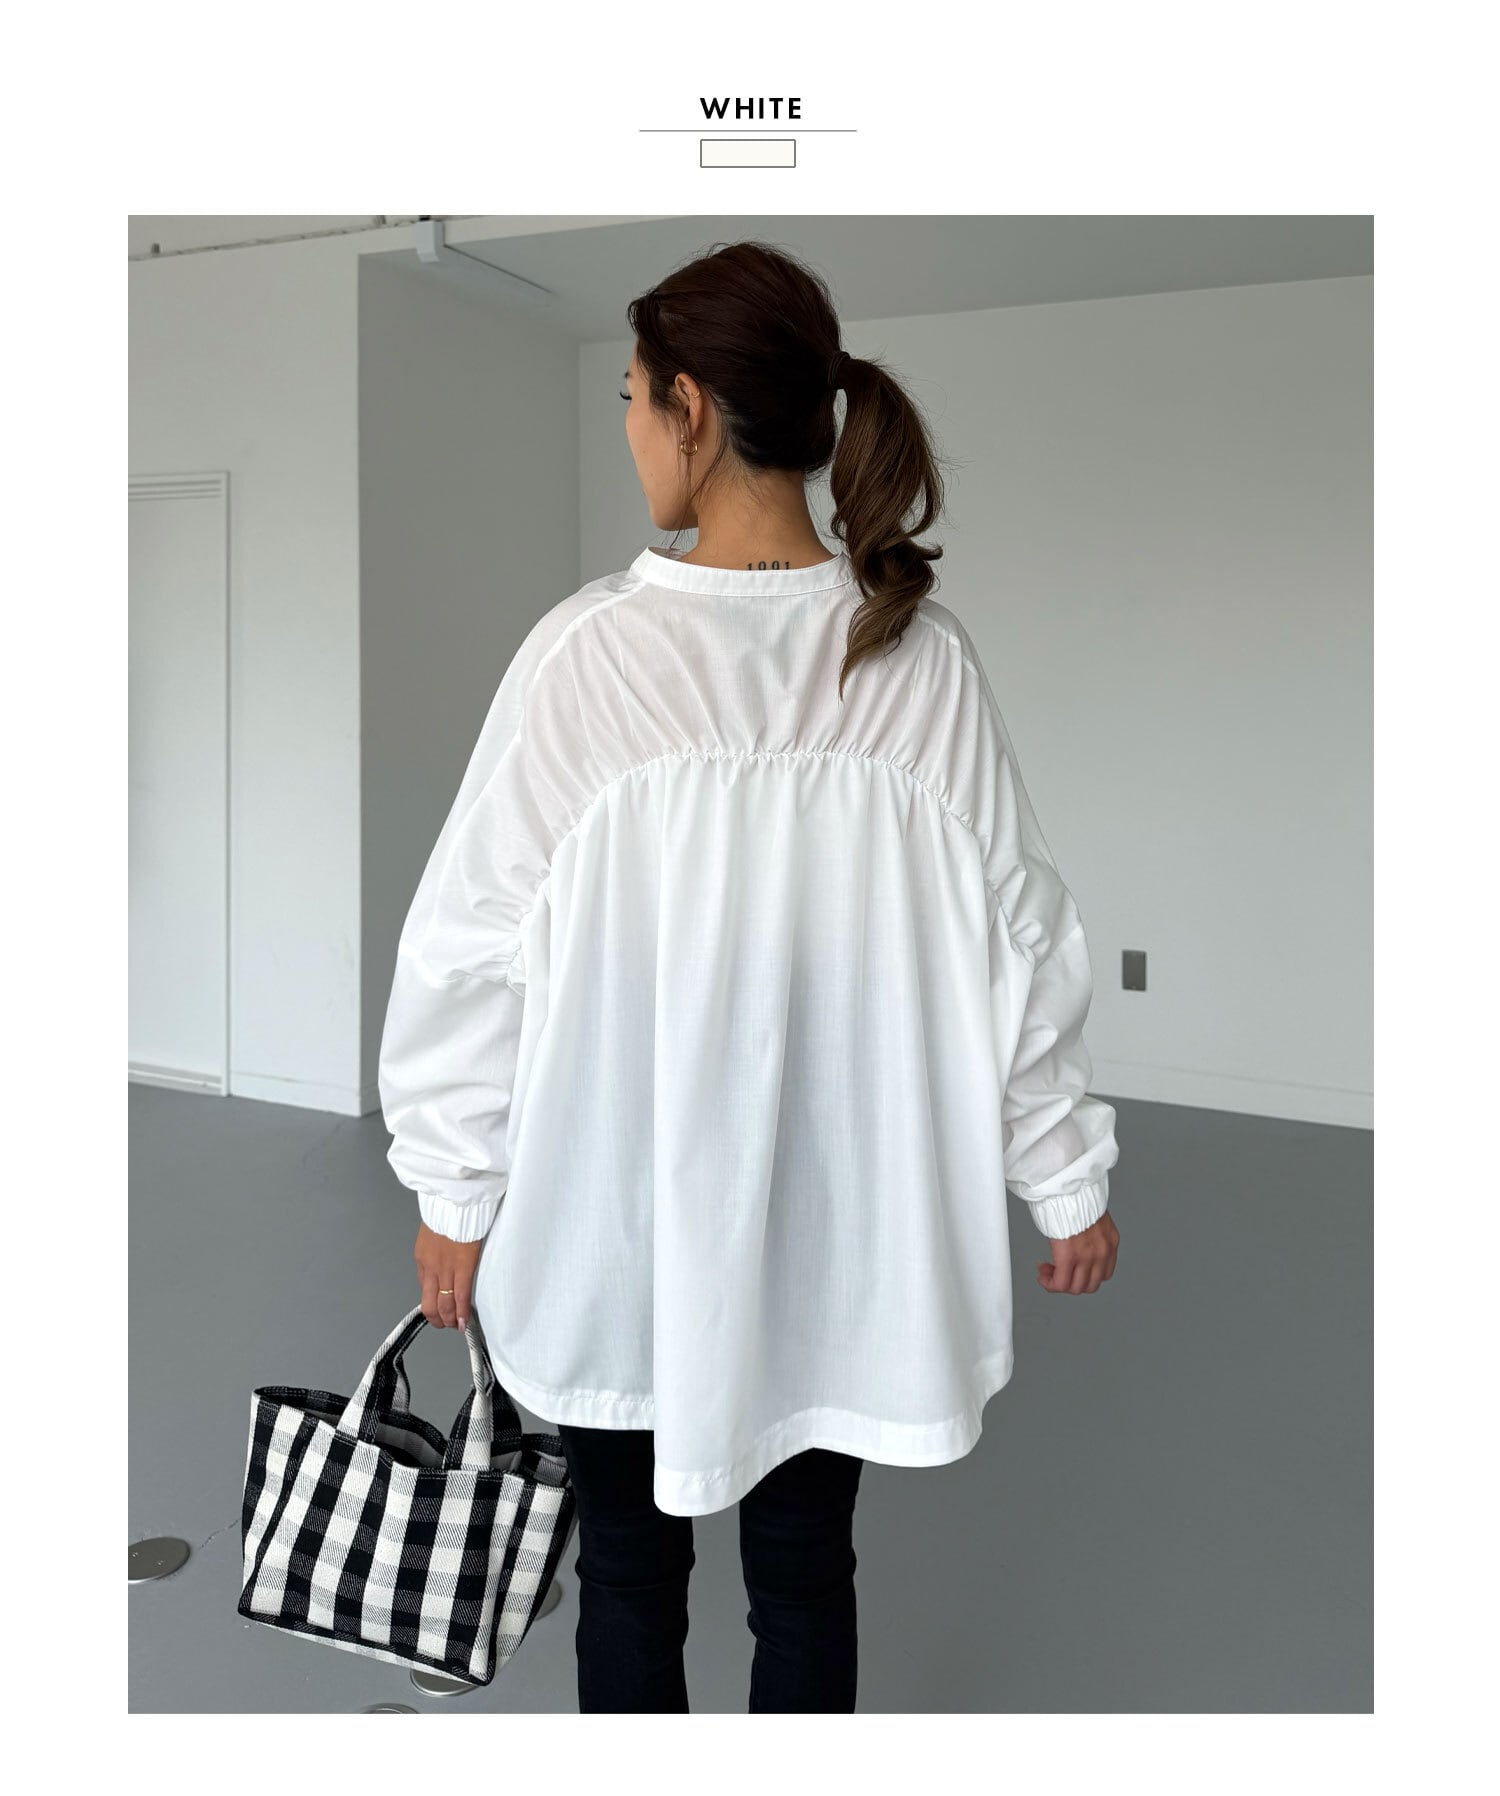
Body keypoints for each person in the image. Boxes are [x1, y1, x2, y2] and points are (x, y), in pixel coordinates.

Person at [377, 239, 1121, 1713]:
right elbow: (1023, 937)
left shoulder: (591, 658)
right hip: (842, 1242)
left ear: (693, 409)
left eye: (633, 397)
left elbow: (467, 944)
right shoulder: (919, 659)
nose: (629, 428)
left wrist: (452, 1190)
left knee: (626, 1580)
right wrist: (1063, 1172)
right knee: (806, 1579)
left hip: (617, 1234)